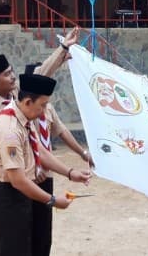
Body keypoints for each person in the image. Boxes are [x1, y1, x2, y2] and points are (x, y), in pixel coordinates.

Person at [0, 28, 80, 231]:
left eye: (12, 71)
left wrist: (63, 48)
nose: (13, 77)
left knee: (27, 234)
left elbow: (40, 74)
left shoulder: (14, 95)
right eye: (7, 74)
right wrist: (31, 167)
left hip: (23, 172)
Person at [0, 73, 91, 256]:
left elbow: (41, 151)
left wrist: (70, 172)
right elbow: (18, 180)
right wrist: (52, 200)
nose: (44, 112)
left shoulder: (23, 119)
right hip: (5, 196)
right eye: (43, 105)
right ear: (28, 101)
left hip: (18, 195)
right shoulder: (10, 129)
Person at [24, 62, 95, 256]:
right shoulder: (21, 112)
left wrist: (83, 153)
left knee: (43, 231)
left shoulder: (48, 108)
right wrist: (33, 166)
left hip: (45, 174)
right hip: (27, 177)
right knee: (24, 231)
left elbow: (62, 131)